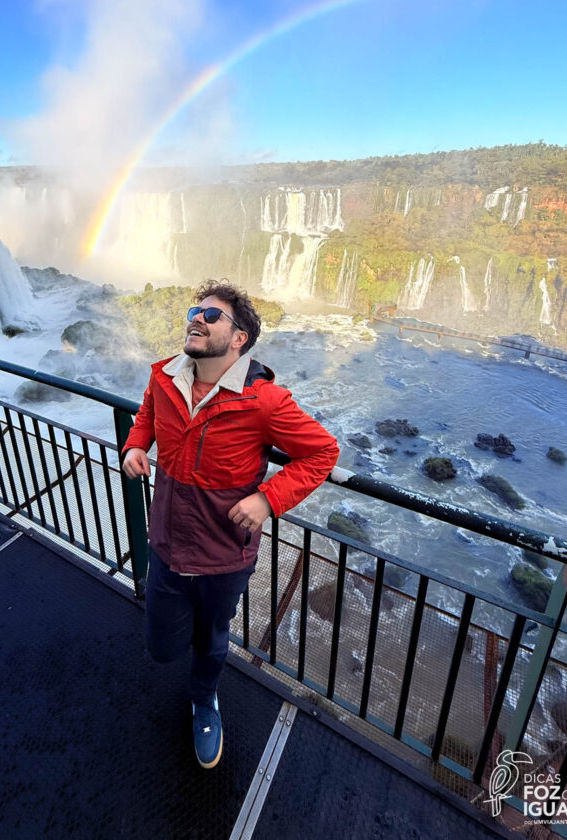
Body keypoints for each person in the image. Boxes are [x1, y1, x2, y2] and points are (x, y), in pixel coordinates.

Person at [122, 279, 339, 768]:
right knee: (161, 647)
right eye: (194, 311)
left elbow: (323, 452)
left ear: (239, 338)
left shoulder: (265, 401)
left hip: (225, 555)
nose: (196, 317)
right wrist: (137, 445)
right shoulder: (164, 376)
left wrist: (268, 500)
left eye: (211, 315)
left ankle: (205, 701)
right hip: (167, 544)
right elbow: (148, 415)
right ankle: (192, 659)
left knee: (213, 637)